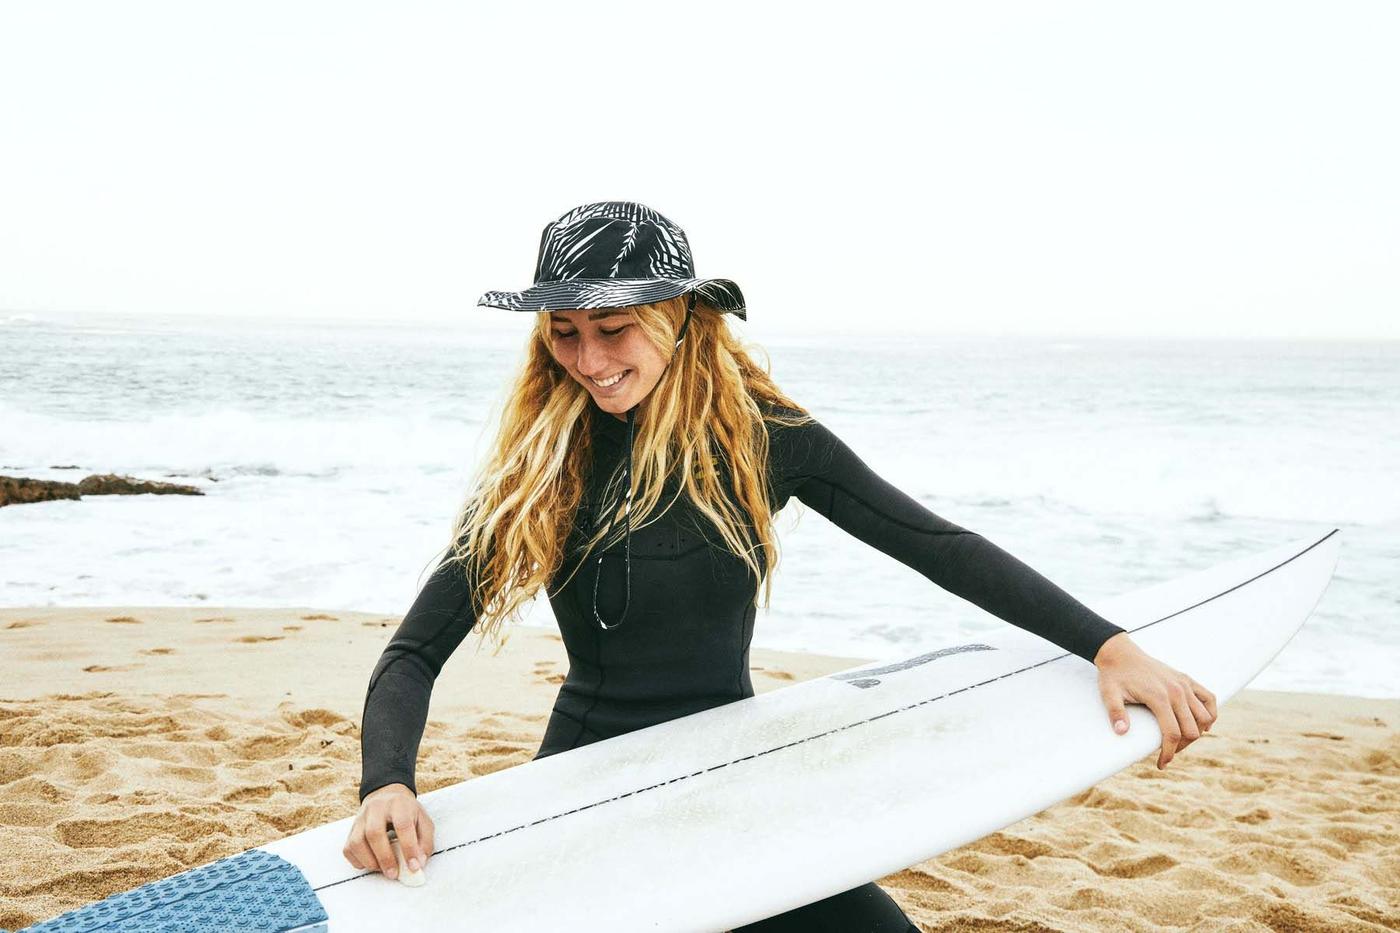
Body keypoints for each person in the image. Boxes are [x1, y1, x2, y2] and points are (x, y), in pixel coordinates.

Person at [342, 201, 1218, 931]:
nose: (589, 362)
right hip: (587, 779)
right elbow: (413, 652)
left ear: (678, 316)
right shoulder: (545, 466)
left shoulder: (764, 439)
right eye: (564, 334)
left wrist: (1109, 646)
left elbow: (937, 545)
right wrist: (387, 783)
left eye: (612, 329)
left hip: (735, 771)